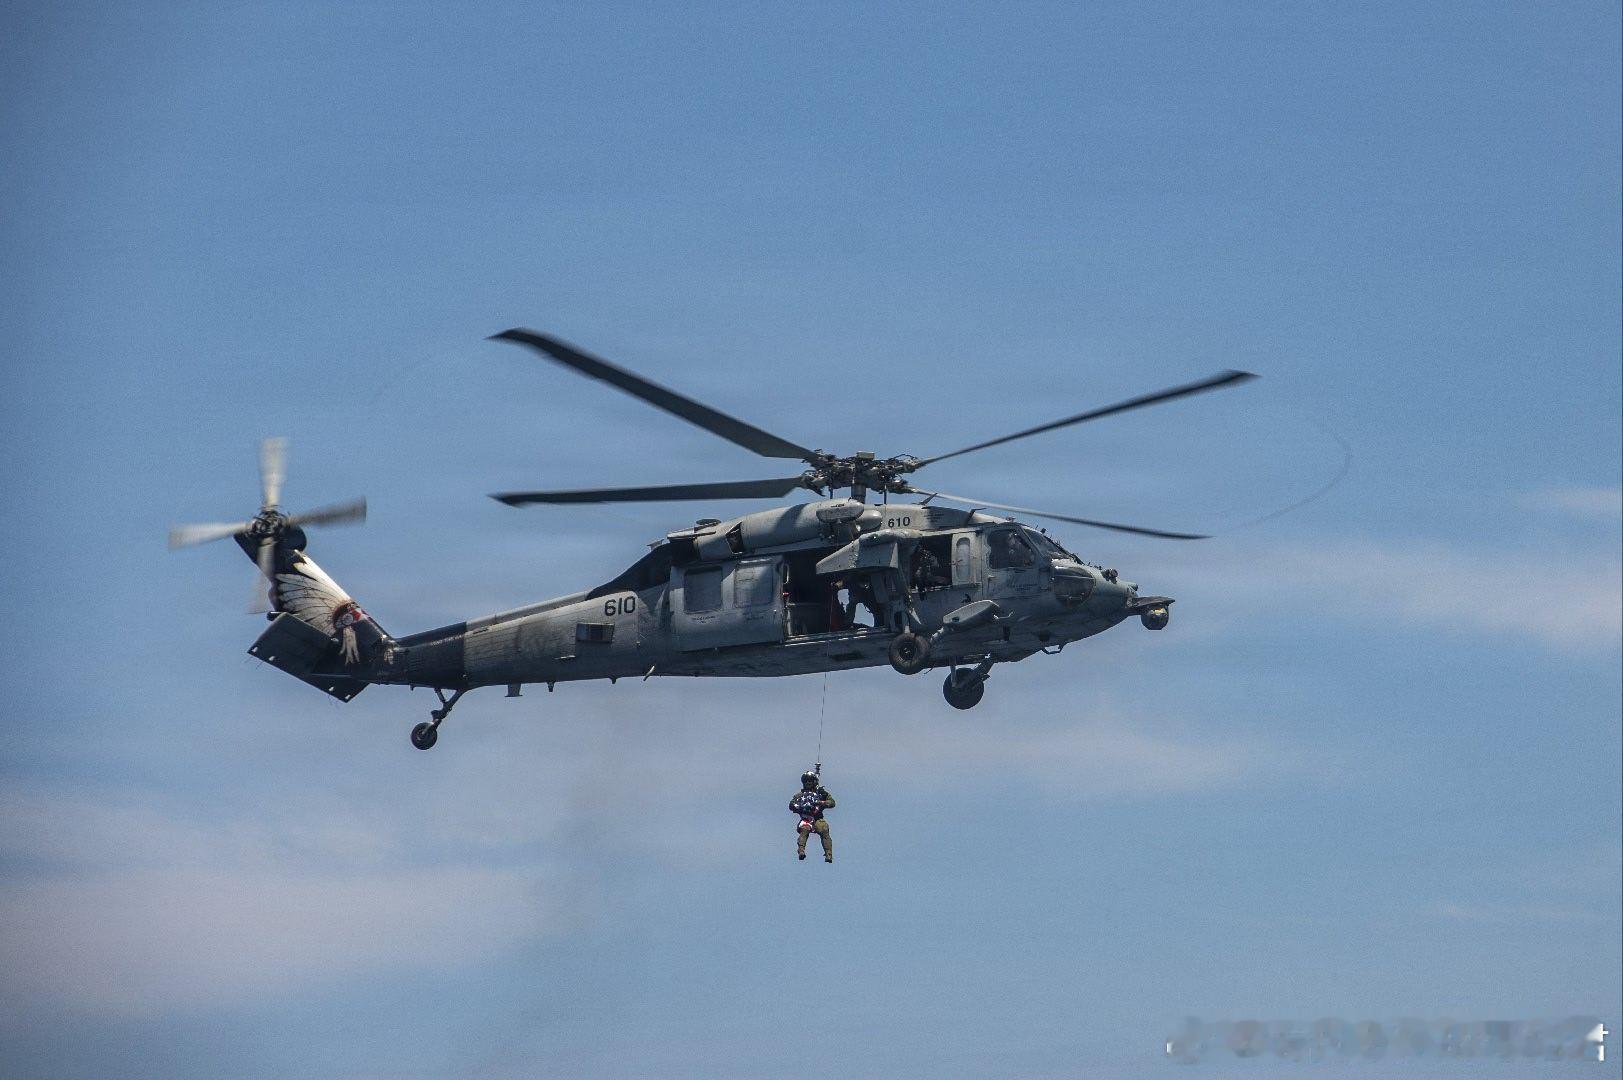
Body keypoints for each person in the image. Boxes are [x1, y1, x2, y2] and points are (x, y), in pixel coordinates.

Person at [790, 769, 835, 863]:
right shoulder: (800, 795)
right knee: (804, 829)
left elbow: (832, 803)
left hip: (818, 817)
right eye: (806, 781)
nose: (808, 783)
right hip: (806, 818)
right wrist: (800, 807)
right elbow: (791, 805)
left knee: (824, 829)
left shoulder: (821, 793)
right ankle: (801, 850)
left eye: (810, 781)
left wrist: (821, 802)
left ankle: (828, 854)